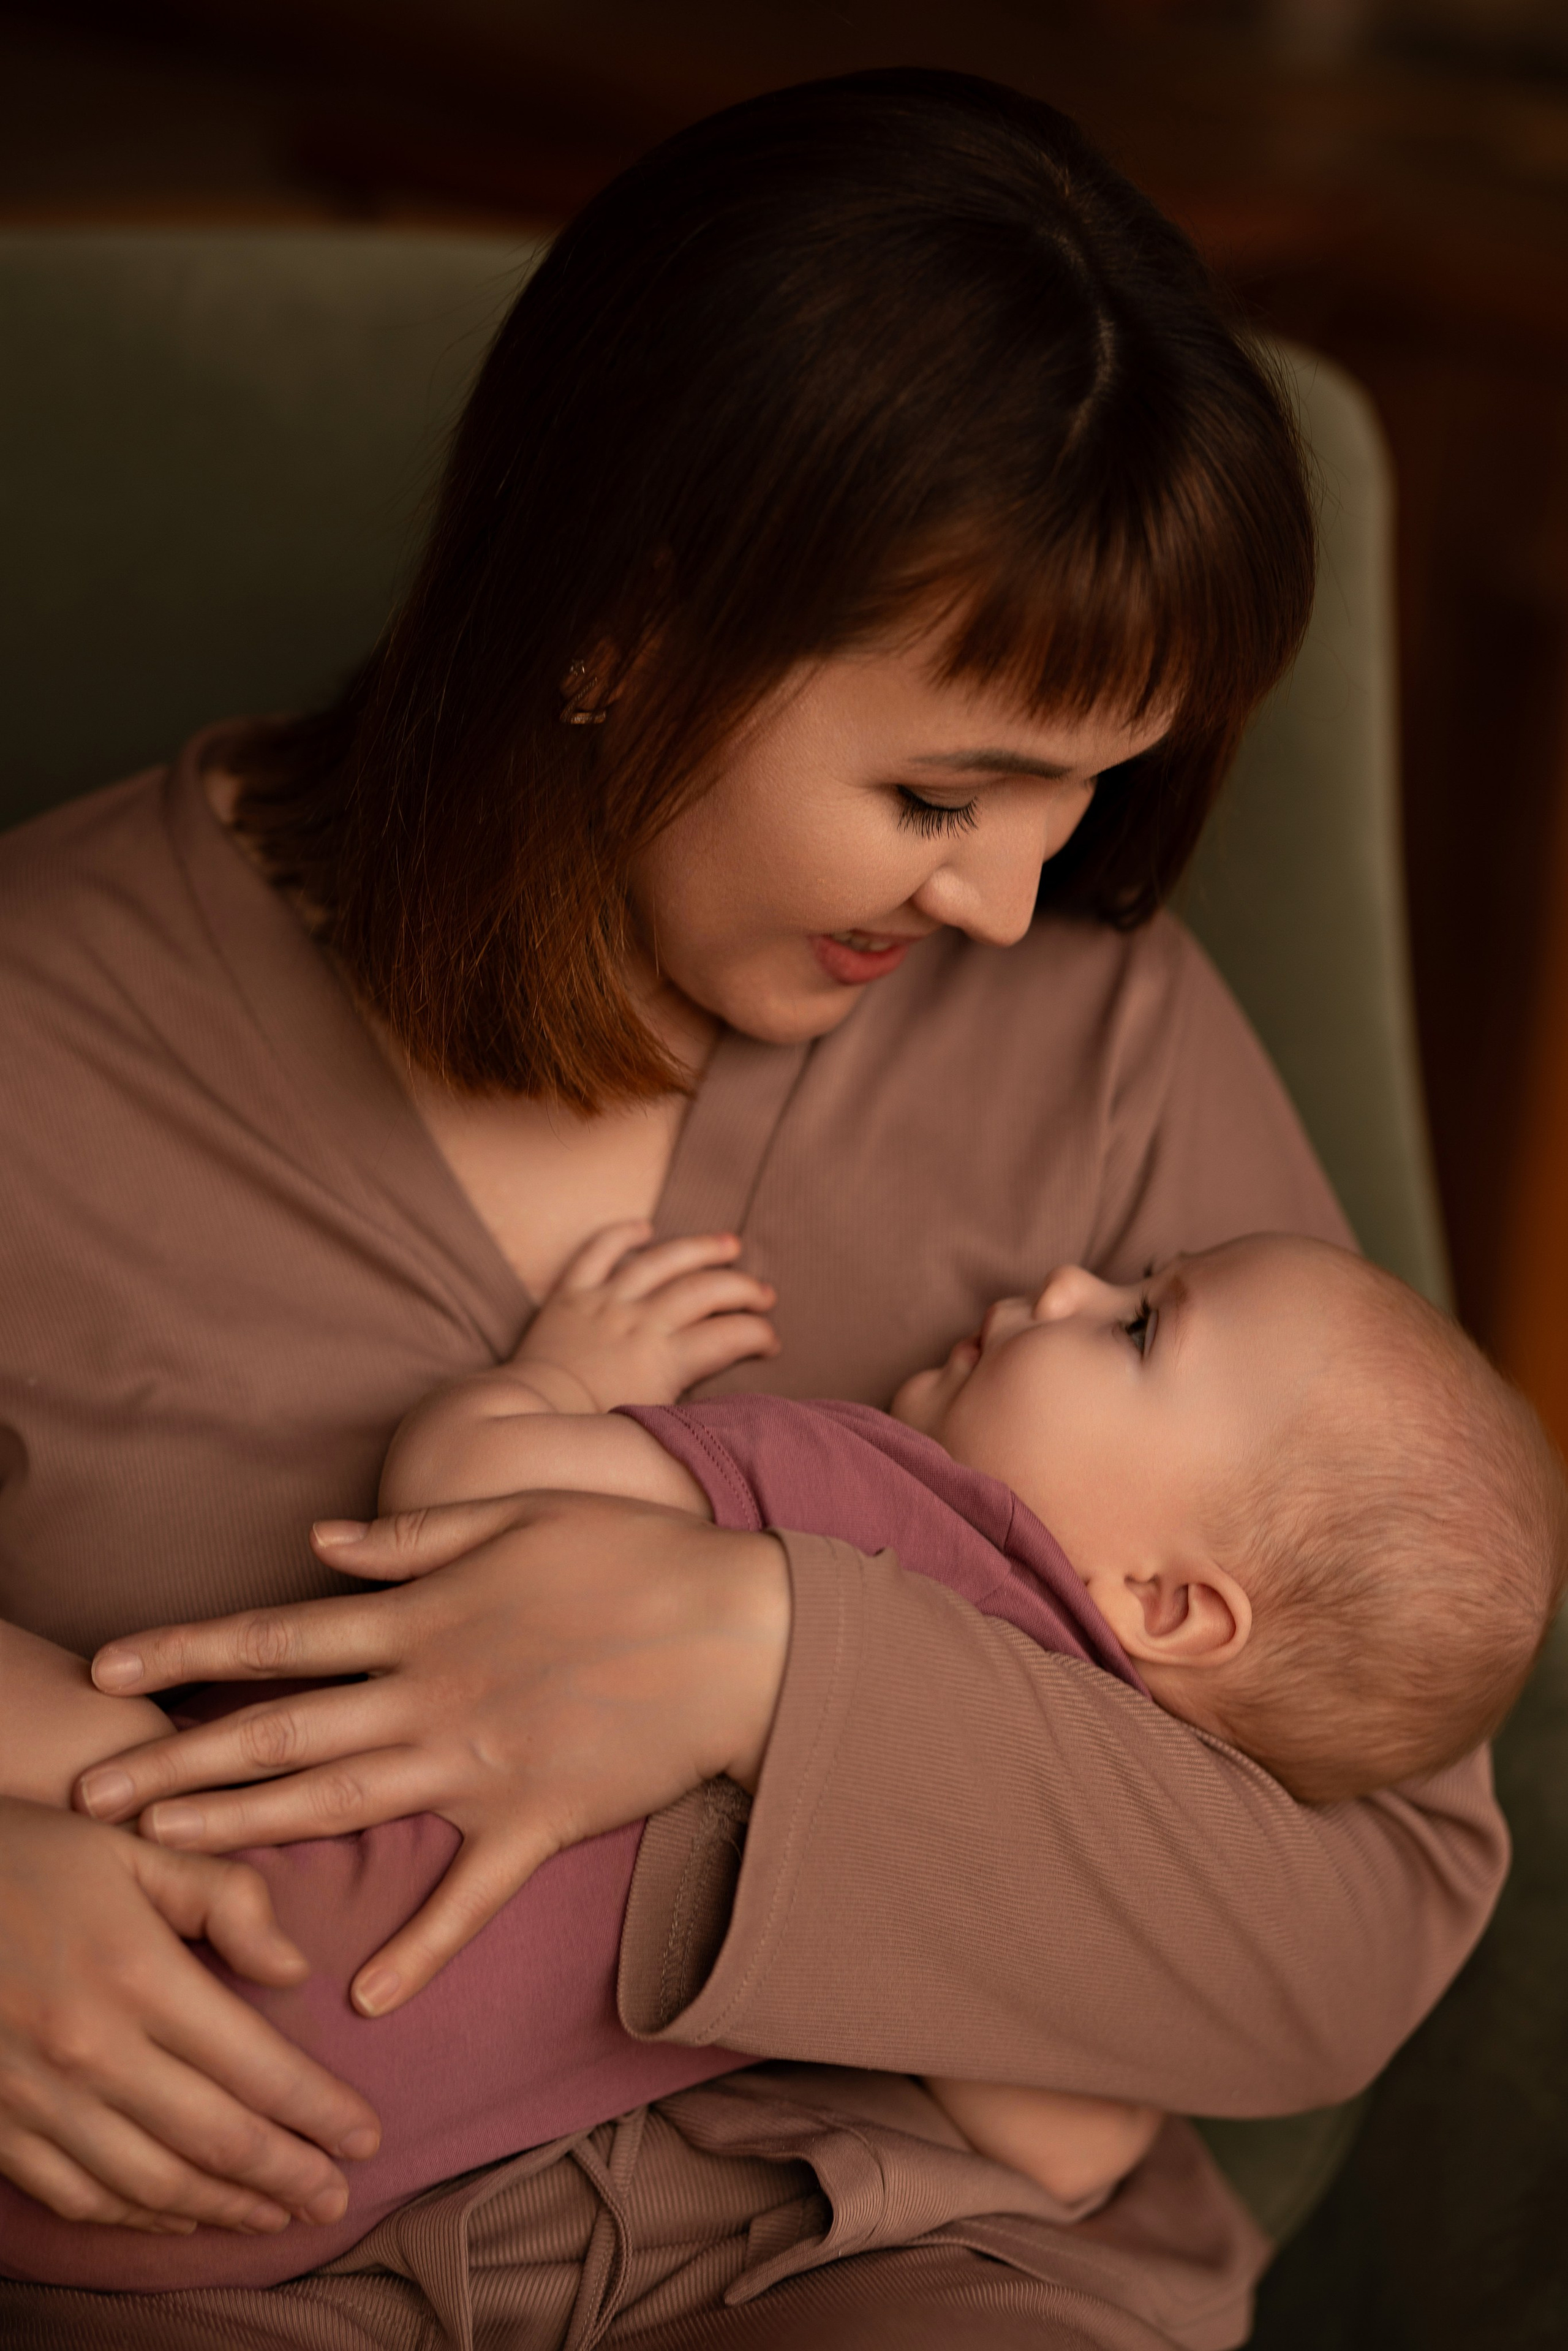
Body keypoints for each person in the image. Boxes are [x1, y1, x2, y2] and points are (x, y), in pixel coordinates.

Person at [0, 67, 1512, 2351]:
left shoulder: (1095, 1024)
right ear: (622, 626)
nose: (1018, 896)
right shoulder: (42, 1025)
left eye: (1085, 793)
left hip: (912, 2249)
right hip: (220, 2245)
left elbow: (1370, 1900)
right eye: (942, 786)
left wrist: (771, 1664)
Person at [6, 1221, 1554, 2298]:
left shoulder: (869, 1501)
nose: (1068, 1278)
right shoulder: (1021, 1857)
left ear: (1163, 1602)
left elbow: (465, 1481)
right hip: (255, 2197)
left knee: (95, 1731)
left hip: (193, 1891)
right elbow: (1068, 2145)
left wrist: (569, 1369)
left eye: (1140, 1320)